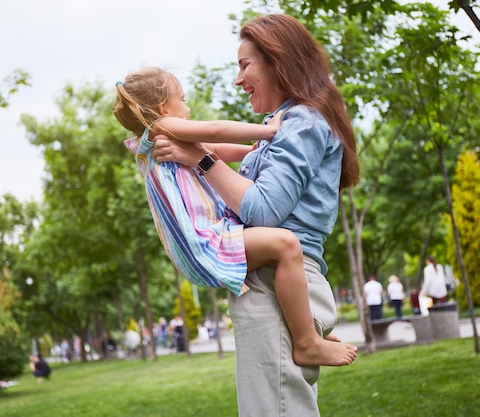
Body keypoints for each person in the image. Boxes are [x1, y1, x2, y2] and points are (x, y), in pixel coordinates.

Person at [151, 14, 360, 416]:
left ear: (278, 61)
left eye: (245, 65)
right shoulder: (286, 123)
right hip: (272, 280)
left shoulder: (302, 120)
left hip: (276, 285)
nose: (238, 79)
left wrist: (200, 160)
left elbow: (263, 211)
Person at [114, 67, 356, 367]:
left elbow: (213, 148)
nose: (188, 109)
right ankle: (306, 342)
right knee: (287, 245)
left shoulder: (158, 141)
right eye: (182, 99)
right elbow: (215, 131)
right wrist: (267, 131)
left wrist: (252, 151)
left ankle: (306, 329)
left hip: (203, 241)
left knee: (282, 251)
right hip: (206, 241)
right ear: (164, 108)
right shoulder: (164, 129)